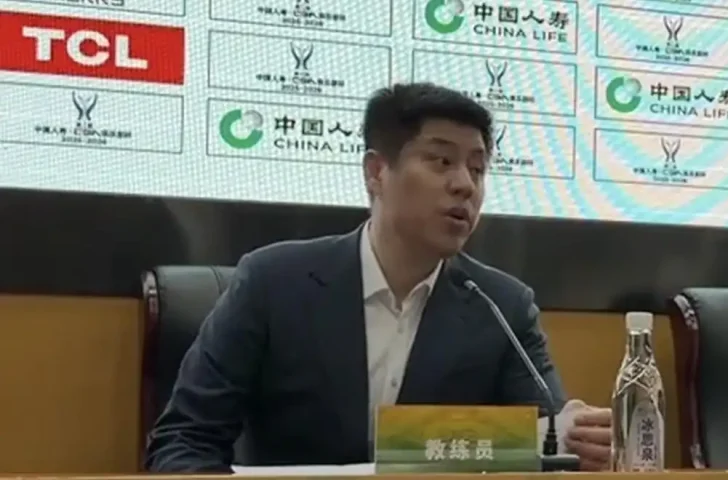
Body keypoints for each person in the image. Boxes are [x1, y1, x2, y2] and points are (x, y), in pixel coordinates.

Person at [144, 83, 611, 472]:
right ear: (376, 172)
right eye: (441, 161)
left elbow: (548, 449)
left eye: (477, 169)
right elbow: (184, 441)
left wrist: (573, 437)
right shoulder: (272, 282)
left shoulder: (502, 306)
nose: (465, 185)